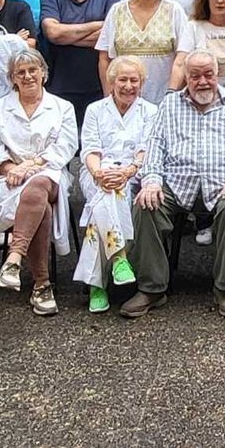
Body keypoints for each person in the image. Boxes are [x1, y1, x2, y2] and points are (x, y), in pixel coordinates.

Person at [124, 51, 225, 319]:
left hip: (224, 183)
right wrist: (151, 181)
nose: (203, 81)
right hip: (176, 182)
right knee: (146, 204)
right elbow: (155, 146)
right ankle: (152, 288)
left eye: (208, 74)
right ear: (186, 76)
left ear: (217, 75)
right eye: (195, 75)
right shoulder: (170, 105)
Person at [0, 49, 78, 316]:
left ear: (43, 73)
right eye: (20, 72)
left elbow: (66, 147)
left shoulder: (63, 108)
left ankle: (15, 257)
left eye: (33, 70)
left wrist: (29, 166)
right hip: (8, 180)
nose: (27, 76)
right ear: (12, 78)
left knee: (38, 185)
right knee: (39, 204)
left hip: (50, 174)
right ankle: (41, 285)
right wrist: (11, 168)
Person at [73, 56, 156, 313]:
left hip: (134, 173)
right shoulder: (95, 110)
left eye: (134, 80)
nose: (128, 85)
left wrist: (128, 171)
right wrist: (99, 173)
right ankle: (119, 259)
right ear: (111, 82)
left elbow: (147, 150)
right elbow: (90, 149)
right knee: (108, 189)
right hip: (96, 171)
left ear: (141, 83)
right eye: (123, 79)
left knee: (107, 197)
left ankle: (98, 286)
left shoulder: (150, 111)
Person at [98, 0, 192, 104]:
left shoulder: (174, 11)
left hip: (164, 99)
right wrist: (109, 95)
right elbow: (104, 57)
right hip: (124, 99)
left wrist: (171, 94)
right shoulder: (117, 10)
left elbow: (183, 57)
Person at [39, 0, 115, 120]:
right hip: (59, 85)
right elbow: (53, 33)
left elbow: (112, 35)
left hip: (99, 84)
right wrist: (98, 25)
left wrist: (66, 35)